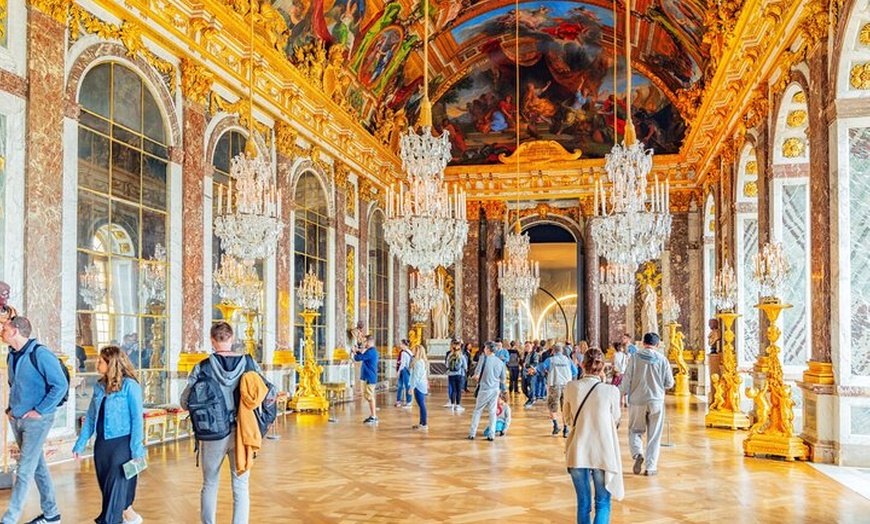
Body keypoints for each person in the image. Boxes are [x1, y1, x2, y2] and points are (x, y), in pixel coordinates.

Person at [181, 322, 258, 524]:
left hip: (212, 433)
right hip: (242, 432)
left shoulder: (202, 367)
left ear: (212, 340)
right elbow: (266, 393)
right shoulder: (249, 363)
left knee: (210, 483)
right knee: (241, 486)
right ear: (232, 339)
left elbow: (184, 401)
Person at [2, 316, 67, 524]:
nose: (2, 330)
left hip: (37, 420)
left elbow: (60, 386)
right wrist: (11, 410)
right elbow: (16, 385)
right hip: (18, 418)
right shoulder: (11, 355)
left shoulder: (41, 354)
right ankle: (52, 514)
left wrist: (40, 410)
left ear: (15, 332)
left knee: (24, 470)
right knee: (37, 466)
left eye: (5, 328)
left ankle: (9, 519)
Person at [73, 346, 145, 524]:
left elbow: (137, 420)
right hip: (102, 445)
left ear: (111, 363)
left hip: (122, 445)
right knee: (108, 488)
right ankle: (130, 516)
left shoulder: (130, 386)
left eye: (100, 361)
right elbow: (90, 417)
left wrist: (137, 450)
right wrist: (80, 444)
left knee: (115, 488)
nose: (96, 363)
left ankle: (110, 520)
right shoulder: (99, 386)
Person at [564, 348, 624, 524]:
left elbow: (567, 419)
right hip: (603, 451)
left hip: (577, 450)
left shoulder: (571, 387)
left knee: (583, 503)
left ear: (582, 365)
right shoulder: (611, 390)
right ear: (603, 366)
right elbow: (615, 419)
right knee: (603, 502)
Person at [619, 332, 674, 476]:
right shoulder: (663, 360)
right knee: (654, 435)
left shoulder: (635, 357)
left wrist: (619, 394)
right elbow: (669, 383)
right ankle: (650, 467)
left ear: (643, 343)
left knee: (634, 431)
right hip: (656, 401)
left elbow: (627, 379)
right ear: (657, 345)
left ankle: (637, 454)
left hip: (637, 401)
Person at [467, 341, 506, 441]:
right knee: (493, 412)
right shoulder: (500, 362)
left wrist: (478, 378)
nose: (484, 350)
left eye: (485, 348)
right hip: (495, 389)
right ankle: (491, 434)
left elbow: (476, 375)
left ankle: (472, 433)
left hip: (484, 389)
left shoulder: (483, 359)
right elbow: (503, 379)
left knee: (478, 410)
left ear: (488, 349)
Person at [541, 343, 578, 437]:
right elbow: (575, 372)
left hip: (554, 384)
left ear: (553, 351)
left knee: (552, 406)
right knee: (564, 407)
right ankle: (565, 429)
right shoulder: (568, 360)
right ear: (562, 351)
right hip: (566, 386)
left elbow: (542, 368)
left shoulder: (550, 360)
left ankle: (556, 425)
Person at [353, 334, 379, 425]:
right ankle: (373, 416)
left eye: (365, 341)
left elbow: (358, 358)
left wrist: (354, 352)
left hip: (369, 377)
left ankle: (374, 416)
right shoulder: (371, 351)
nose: (364, 343)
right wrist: (358, 351)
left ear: (369, 341)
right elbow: (363, 356)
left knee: (370, 397)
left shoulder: (371, 351)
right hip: (368, 376)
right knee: (369, 396)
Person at [408, 344, 429, 432]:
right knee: (421, 405)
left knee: (422, 405)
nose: (411, 351)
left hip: (419, 385)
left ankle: (424, 424)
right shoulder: (420, 361)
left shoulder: (418, 362)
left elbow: (416, 376)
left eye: (413, 350)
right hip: (420, 384)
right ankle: (421, 423)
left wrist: (412, 387)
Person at [444, 342, 467, 411]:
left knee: (453, 390)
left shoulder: (450, 355)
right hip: (459, 374)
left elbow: (447, 365)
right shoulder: (461, 356)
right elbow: (465, 366)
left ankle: (452, 404)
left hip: (451, 375)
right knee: (458, 390)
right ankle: (458, 405)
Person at [395, 340, 412, 408]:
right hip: (408, 370)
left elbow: (403, 364)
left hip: (404, 370)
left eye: (401, 344)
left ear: (405, 345)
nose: (400, 345)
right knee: (406, 386)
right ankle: (408, 401)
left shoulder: (403, 353)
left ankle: (404, 402)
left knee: (402, 386)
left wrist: (398, 371)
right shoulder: (410, 352)